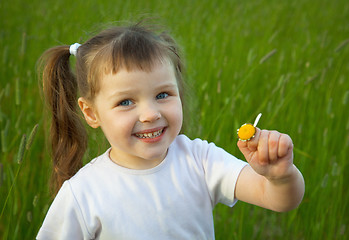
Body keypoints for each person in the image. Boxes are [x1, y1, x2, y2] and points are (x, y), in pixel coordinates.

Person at [36, 21, 305, 239]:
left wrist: (281, 177)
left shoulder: (199, 160)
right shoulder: (83, 193)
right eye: (126, 102)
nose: (151, 114)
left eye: (163, 94)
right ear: (91, 113)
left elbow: (278, 199)